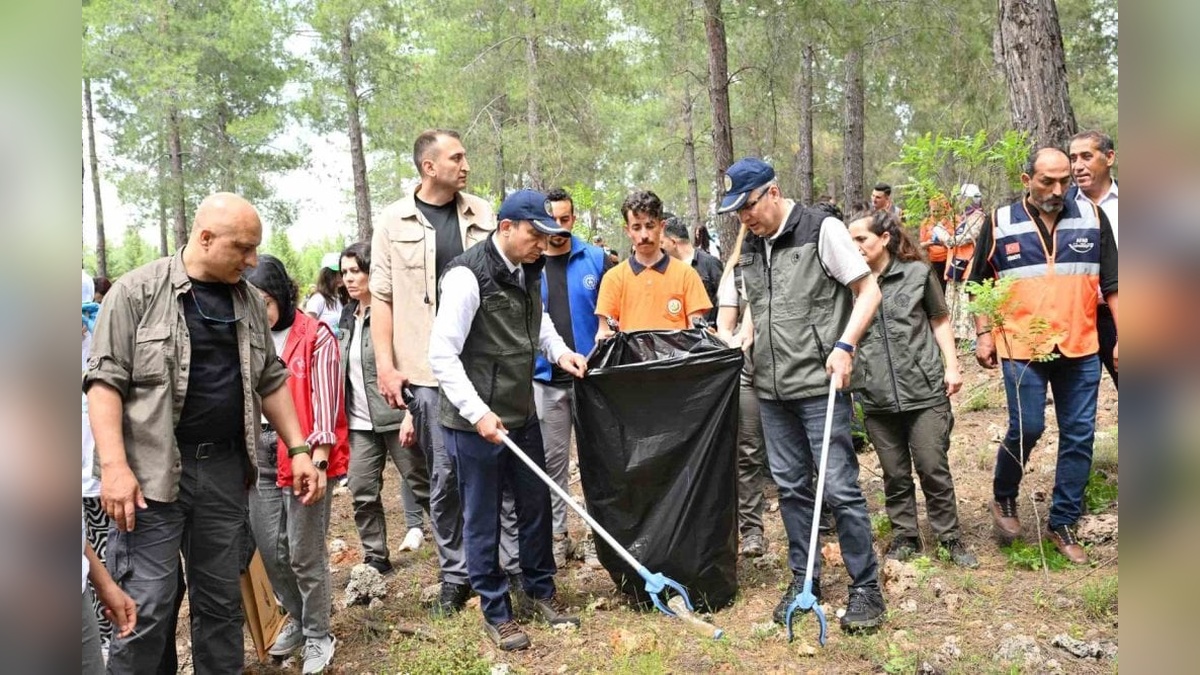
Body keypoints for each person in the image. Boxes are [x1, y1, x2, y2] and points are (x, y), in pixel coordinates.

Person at [84, 193, 322, 674]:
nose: (252, 260)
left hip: (223, 471)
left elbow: (271, 380)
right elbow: (104, 384)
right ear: (205, 238)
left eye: (256, 249)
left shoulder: (251, 302)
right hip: (148, 479)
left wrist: (298, 448)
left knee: (220, 604)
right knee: (147, 605)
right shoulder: (135, 294)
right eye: (243, 248)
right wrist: (113, 467)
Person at [717, 158, 886, 632]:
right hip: (771, 389)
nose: (745, 218)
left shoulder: (821, 229)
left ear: (772, 192)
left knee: (839, 488)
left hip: (818, 386)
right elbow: (759, 303)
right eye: (737, 212)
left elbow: (868, 290)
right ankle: (803, 577)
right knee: (792, 489)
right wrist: (744, 335)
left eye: (749, 206)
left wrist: (845, 346)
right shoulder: (751, 244)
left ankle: (865, 587)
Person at [429, 189, 589, 651]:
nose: (543, 243)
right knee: (482, 518)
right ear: (506, 228)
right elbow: (441, 355)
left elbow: (537, 326)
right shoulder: (465, 276)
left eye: (547, 235)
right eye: (536, 234)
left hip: (521, 413)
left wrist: (562, 354)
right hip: (474, 423)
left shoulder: (528, 269)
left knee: (534, 505)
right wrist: (478, 413)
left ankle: (540, 591)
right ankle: (496, 610)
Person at [970, 147, 1118, 565]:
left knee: (1079, 434)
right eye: (1046, 181)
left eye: (1064, 181)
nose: (1057, 190)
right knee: (1028, 427)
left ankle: (1063, 521)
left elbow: (1113, 282)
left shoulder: (1091, 216)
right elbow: (979, 282)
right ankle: (1004, 495)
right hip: (1021, 346)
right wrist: (984, 335)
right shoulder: (999, 222)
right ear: (1026, 180)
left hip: (1081, 343)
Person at [370, 128, 494, 616]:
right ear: (429, 166)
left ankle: (496, 566)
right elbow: (381, 298)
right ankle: (455, 574)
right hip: (424, 372)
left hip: (482, 365)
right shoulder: (391, 222)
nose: (465, 165)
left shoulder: (483, 214)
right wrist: (386, 364)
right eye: (456, 157)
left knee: (488, 468)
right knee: (444, 476)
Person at [846, 210, 976, 568]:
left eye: (862, 239)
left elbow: (939, 320)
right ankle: (905, 536)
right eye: (850, 240)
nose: (855, 247)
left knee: (933, 466)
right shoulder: (849, 284)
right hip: (875, 394)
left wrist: (951, 365)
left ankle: (949, 538)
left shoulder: (917, 273)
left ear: (884, 239)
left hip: (924, 388)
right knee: (895, 472)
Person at [245, 255, 347, 673]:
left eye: (265, 303)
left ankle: (320, 632)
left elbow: (325, 404)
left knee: (304, 552)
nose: (259, 312)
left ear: (282, 297)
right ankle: (298, 620)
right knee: (271, 550)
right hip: (259, 454)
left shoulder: (315, 334)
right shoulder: (247, 337)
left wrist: (319, 460)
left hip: (303, 451)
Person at [339, 242, 429, 575]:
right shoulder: (348, 316)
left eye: (356, 271)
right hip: (360, 422)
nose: (349, 279)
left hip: (396, 415)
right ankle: (376, 556)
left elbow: (412, 364)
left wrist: (410, 413)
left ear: (370, 272)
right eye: (344, 272)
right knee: (362, 489)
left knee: (422, 484)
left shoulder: (389, 313)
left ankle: (458, 553)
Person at [534, 188, 610, 568]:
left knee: (599, 461)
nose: (559, 228)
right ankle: (557, 537)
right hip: (546, 381)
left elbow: (613, 314)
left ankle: (601, 538)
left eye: (566, 220)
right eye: (553, 221)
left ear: (574, 218)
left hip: (592, 378)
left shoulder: (595, 259)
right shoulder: (530, 263)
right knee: (552, 464)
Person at [594, 190, 712, 338]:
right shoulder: (613, 279)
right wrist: (603, 337)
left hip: (678, 360)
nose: (644, 235)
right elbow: (604, 331)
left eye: (650, 226)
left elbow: (697, 329)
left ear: (661, 227)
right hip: (632, 361)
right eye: (636, 227)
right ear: (627, 230)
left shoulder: (686, 275)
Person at [715, 265, 768, 558]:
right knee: (748, 451)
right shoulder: (737, 272)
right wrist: (731, 340)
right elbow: (724, 324)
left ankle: (821, 519)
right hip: (749, 371)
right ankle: (751, 531)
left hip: (792, 371)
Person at [1068, 130, 1118, 389]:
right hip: (1079, 317)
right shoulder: (1062, 208)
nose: (1078, 166)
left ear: (1109, 157)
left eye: (1087, 156)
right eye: (1073, 158)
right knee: (1078, 402)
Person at [662, 213, 722, 323]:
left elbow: (724, 298)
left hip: (707, 333)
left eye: (662, 242)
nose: (661, 247)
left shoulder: (710, 263)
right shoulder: (666, 269)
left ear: (673, 242)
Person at [944, 183, 986, 342]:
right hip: (957, 264)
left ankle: (970, 335)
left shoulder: (978, 217)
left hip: (968, 265)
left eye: (963, 198)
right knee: (955, 300)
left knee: (966, 300)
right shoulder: (964, 218)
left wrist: (946, 238)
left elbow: (966, 237)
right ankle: (957, 333)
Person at [305, 252, 348, 331]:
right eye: (335, 273)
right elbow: (307, 328)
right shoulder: (318, 299)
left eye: (342, 272)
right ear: (326, 275)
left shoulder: (342, 299)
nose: (339, 277)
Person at [918, 195, 953, 289]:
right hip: (932, 261)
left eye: (939, 211)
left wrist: (945, 242)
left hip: (948, 260)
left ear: (945, 210)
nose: (936, 213)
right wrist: (928, 243)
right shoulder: (926, 223)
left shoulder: (952, 222)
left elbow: (955, 242)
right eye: (933, 211)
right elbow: (921, 244)